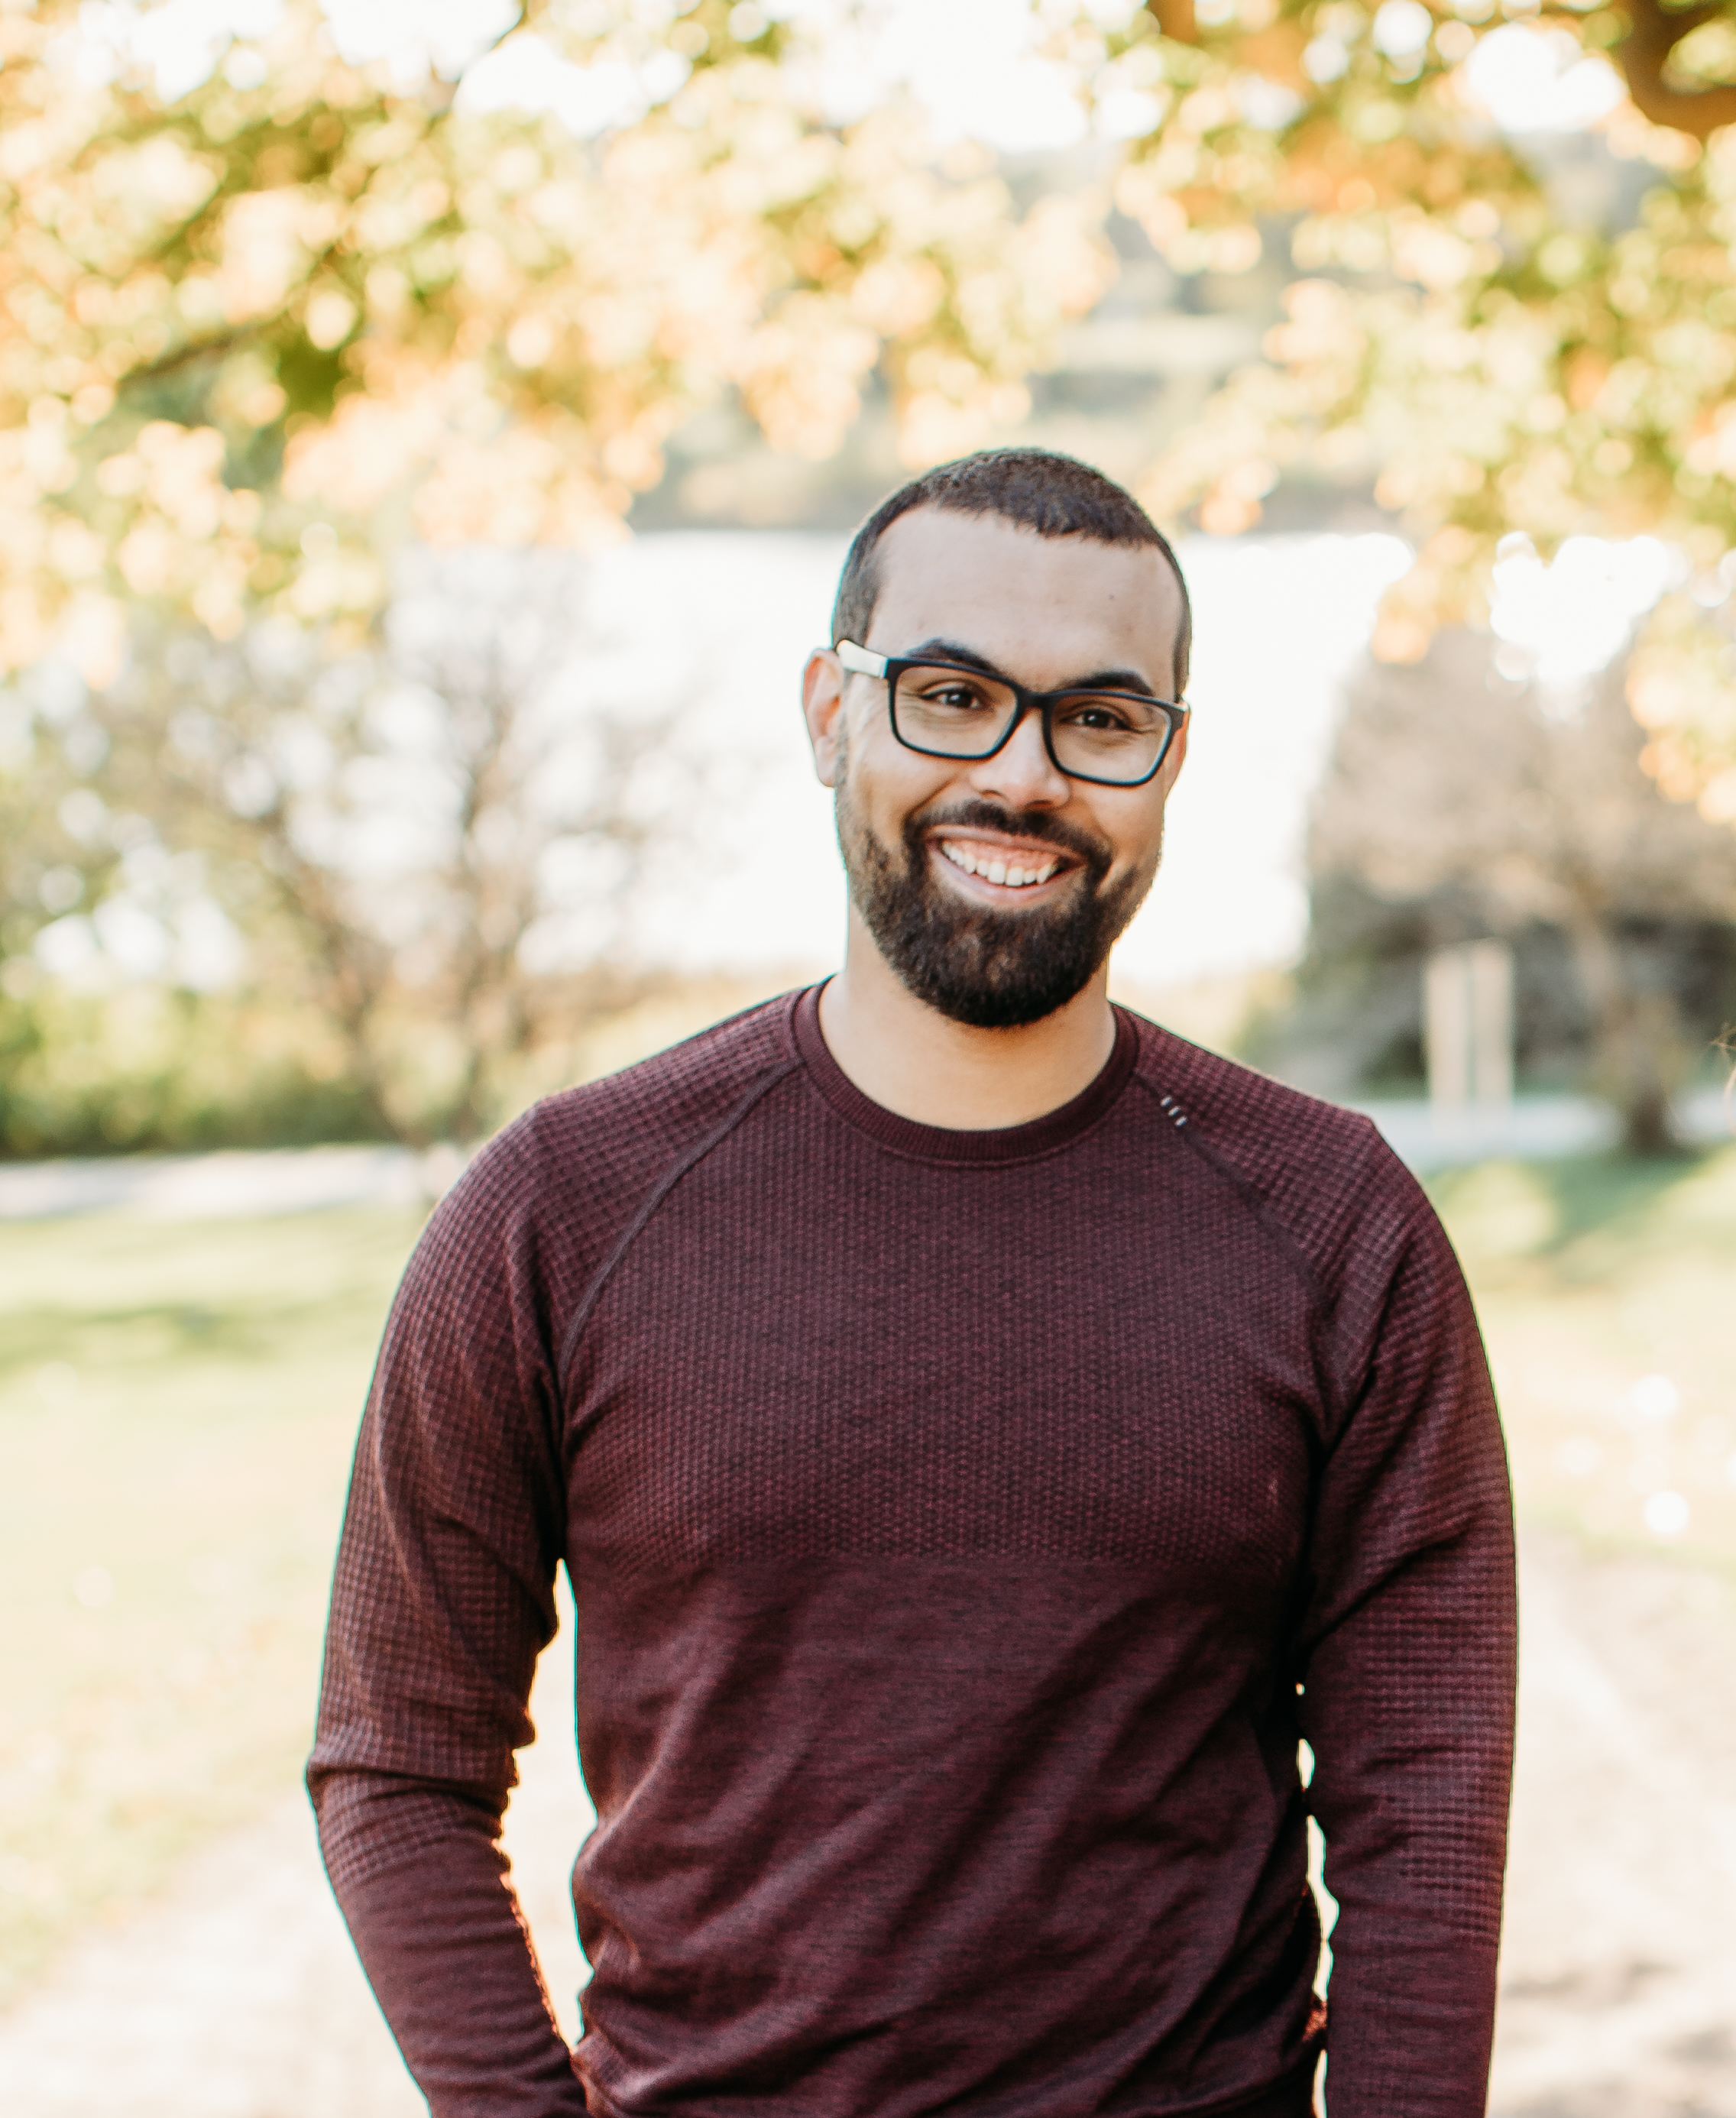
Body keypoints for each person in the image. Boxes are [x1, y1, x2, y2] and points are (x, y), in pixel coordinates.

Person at [309, 448, 1516, 2118]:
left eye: (1100, 718)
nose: (1021, 775)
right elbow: (396, 1763)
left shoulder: (1332, 1224)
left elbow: (1423, 1803)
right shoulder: (559, 1209)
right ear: (828, 714)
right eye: (949, 695)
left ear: (1169, 759)